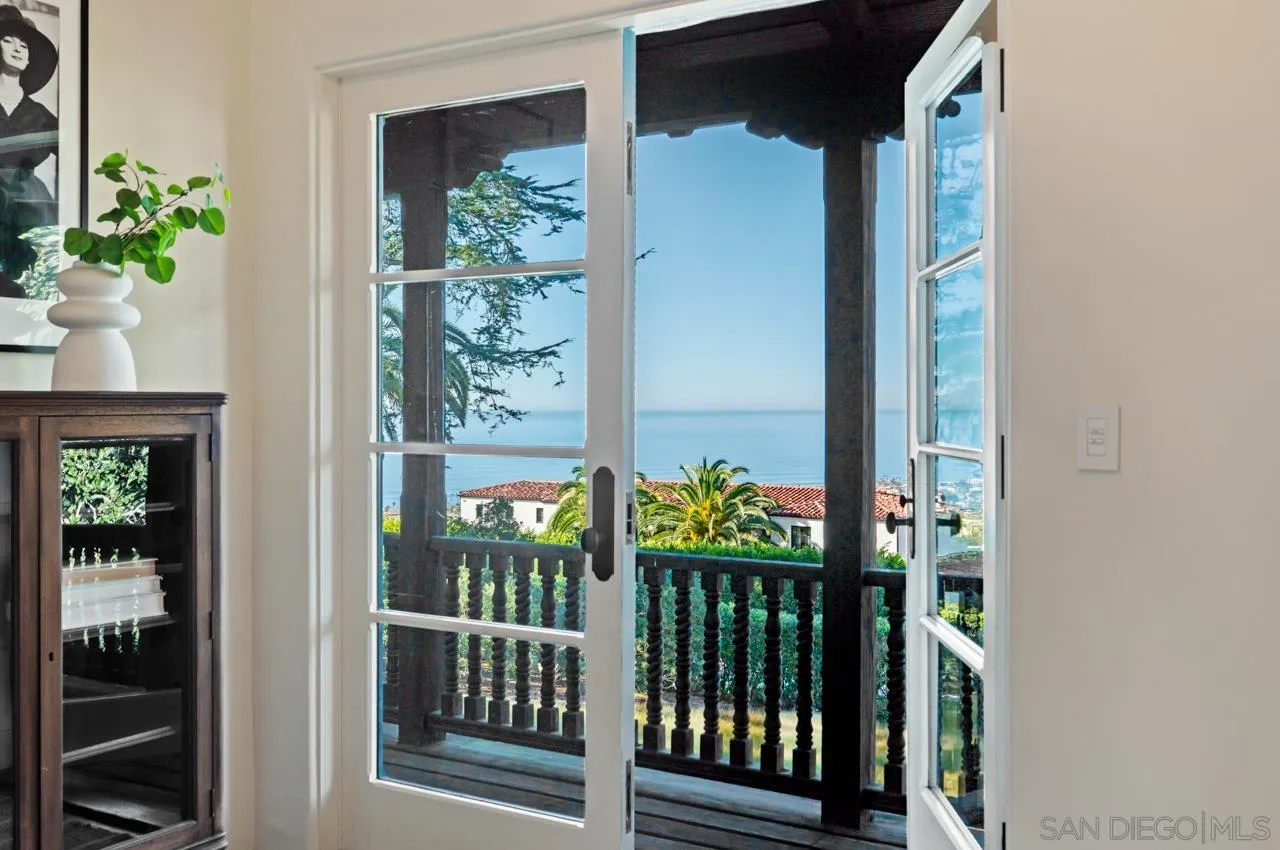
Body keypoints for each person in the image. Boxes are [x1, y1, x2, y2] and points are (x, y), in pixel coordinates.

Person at [0, 3, 56, 299]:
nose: (18, 49)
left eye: (24, 44)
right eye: (8, 40)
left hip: (32, 208)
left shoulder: (42, 115)